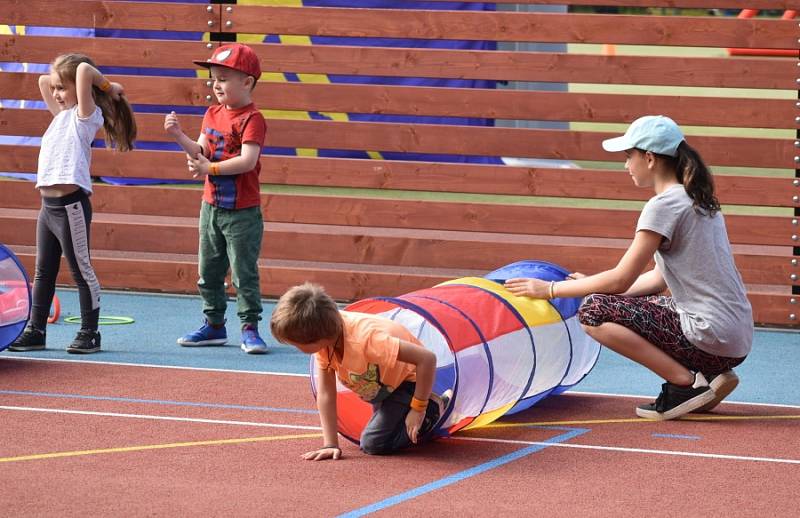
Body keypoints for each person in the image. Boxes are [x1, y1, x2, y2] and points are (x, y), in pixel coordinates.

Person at [504, 115, 752, 420]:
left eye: (628, 156)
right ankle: (710, 372)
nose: (625, 165)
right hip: (735, 338)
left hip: (710, 334)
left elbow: (621, 279)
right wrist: (595, 283)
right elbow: (657, 279)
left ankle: (685, 384)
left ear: (649, 158)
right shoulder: (697, 200)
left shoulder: (664, 205)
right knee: (625, 302)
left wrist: (550, 289)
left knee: (594, 311)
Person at [9, 53, 136, 354]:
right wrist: (56, 79)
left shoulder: (85, 117)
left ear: (82, 92)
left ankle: (90, 332)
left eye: (62, 89)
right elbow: (44, 80)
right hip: (47, 208)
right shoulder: (60, 116)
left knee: (81, 270)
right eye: (55, 89)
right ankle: (36, 329)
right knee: (43, 271)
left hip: (70, 207)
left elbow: (82, 69)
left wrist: (107, 86)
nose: (55, 94)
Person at [164, 43, 268, 354]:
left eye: (223, 78)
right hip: (210, 208)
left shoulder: (253, 118)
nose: (216, 84)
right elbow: (202, 151)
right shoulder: (212, 113)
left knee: (243, 272)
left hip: (242, 213)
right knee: (208, 271)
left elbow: (247, 161)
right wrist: (179, 136)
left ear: (246, 82)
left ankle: (249, 329)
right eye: (213, 78)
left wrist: (210, 167)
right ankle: (214, 326)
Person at [270, 282, 451, 459]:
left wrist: (418, 408)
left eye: (297, 344)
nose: (295, 347)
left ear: (317, 338)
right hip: (384, 389)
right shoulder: (325, 343)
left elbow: (427, 358)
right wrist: (330, 444)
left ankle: (433, 408)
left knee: (373, 443)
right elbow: (325, 393)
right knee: (382, 432)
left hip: (408, 383)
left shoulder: (368, 341)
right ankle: (411, 414)